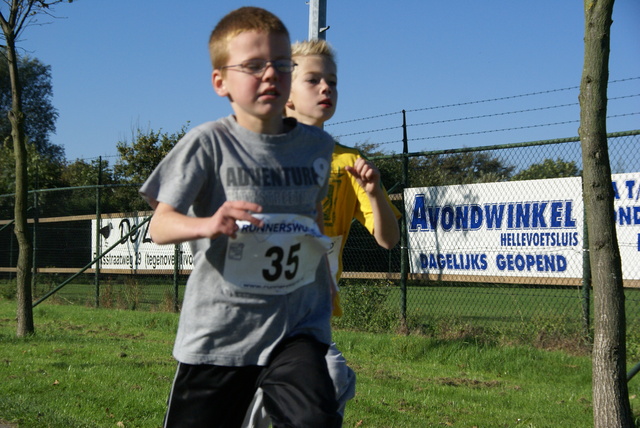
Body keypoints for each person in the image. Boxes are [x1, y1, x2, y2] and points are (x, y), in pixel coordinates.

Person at [139, 8, 340, 428]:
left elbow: (312, 218)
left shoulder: (318, 148)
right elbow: (160, 225)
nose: (270, 74)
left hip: (296, 326)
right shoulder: (207, 144)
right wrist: (208, 224)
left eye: (281, 64)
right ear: (221, 82)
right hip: (221, 332)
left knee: (314, 419)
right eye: (253, 66)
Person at [242, 39, 401, 428]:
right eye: (313, 80)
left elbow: (389, 239)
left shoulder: (349, 162)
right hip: (256, 312)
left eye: (332, 81)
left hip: (310, 318)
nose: (326, 88)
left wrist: (374, 192)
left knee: (332, 379)